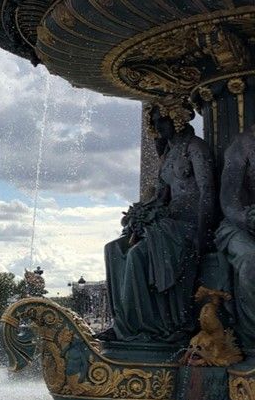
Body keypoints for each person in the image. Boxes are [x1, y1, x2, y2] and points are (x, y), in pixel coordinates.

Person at [103, 101, 215, 343]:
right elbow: (161, 197)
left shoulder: (196, 148)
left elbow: (208, 193)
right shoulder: (167, 155)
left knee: (136, 256)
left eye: (160, 121)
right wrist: (139, 216)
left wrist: (206, 235)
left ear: (176, 118)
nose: (155, 127)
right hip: (168, 223)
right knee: (113, 249)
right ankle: (122, 322)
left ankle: (142, 326)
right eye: (152, 123)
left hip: (189, 226)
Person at [216, 128, 255, 353]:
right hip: (239, 224)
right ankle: (251, 341)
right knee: (250, 258)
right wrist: (245, 218)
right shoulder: (242, 144)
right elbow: (228, 199)